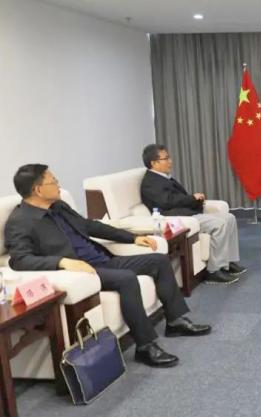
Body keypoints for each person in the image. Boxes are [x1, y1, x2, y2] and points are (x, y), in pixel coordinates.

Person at [4, 164, 211, 368]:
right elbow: (20, 260)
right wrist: (61, 262)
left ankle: (175, 321)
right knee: (126, 278)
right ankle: (145, 346)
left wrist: (132, 238)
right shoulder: (20, 221)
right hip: (86, 272)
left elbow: (89, 226)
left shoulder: (59, 206)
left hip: (104, 259)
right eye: (53, 181)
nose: (59, 185)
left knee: (158, 260)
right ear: (38, 190)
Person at [140, 144, 246, 284]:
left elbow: (176, 198)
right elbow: (167, 202)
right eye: (166, 158)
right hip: (175, 219)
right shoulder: (150, 182)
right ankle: (214, 271)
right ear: (154, 163)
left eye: (169, 157)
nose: (170, 161)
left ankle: (227, 262)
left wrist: (194, 199)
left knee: (229, 218)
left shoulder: (163, 177)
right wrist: (191, 198)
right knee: (219, 224)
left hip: (186, 213)